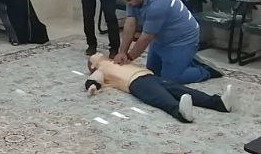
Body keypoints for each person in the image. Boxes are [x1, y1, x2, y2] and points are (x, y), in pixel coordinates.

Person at [114, 0, 220, 85]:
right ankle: (185, 59)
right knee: (153, 72)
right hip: (161, 36)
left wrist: (129, 57)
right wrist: (122, 52)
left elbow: (146, 37)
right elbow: (130, 24)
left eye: (129, 1)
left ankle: (205, 71)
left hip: (182, 38)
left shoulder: (157, 4)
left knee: (171, 78)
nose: (128, 4)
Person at [84, 52, 235, 123]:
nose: (101, 56)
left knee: (180, 89)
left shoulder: (118, 60)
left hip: (149, 75)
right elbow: (94, 79)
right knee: (161, 97)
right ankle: (180, 112)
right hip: (135, 83)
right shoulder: (101, 69)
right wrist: (92, 86)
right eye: (97, 57)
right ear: (93, 65)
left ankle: (218, 103)